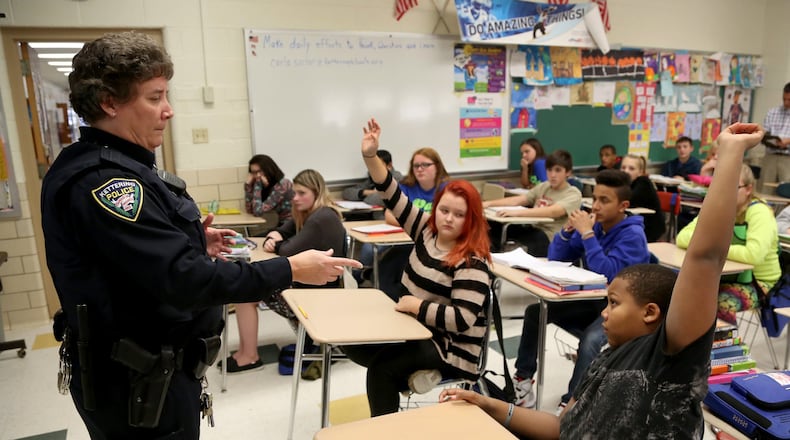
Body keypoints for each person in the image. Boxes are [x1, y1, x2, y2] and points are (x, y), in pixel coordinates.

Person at [39, 32, 360, 440]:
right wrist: (290, 268)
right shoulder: (108, 183)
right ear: (109, 102)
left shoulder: (113, 165)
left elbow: (132, 261)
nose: (168, 111)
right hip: (137, 384)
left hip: (150, 374)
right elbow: (184, 280)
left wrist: (192, 242)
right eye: (154, 98)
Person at [440, 122, 765, 439]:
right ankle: (524, 379)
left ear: (650, 313)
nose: (605, 312)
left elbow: (705, 258)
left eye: (614, 304)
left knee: (591, 338)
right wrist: (491, 406)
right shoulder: (605, 361)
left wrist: (730, 153)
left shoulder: (670, 356)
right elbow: (561, 429)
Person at [342, 118, 492, 417]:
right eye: (444, 210)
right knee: (352, 343)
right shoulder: (427, 230)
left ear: (471, 219)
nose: (448, 219)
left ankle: (389, 427)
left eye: (458, 214)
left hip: (450, 347)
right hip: (413, 328)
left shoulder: (472, 260)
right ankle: (409, 372)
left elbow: (462, 319)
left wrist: (416, 306)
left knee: (380, 371)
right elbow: (391, 192)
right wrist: (370, 156)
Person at [512, 170, 651, 414]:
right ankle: (523, 380)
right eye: (594, 198)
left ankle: (572, 405)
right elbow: (557, 258)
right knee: (535, 312)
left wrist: (587, 233)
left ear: (623, 206)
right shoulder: (597, 227)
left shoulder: (633, 235)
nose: (595, 206)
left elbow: (610, 275)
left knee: (592, 339)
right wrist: (566, 232)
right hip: (596, 302)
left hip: (623, 310)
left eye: (604, 200)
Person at [228, 169, 346, 374]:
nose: (296, 198)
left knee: (247, 293)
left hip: (316, 296)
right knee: (250, 286)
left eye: (302, 193)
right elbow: (282, 231)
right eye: (295, 193)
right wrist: (276, 235)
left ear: (316, 192)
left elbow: (287, 249)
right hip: (309, 286)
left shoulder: (322, 217)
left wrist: (277, 242)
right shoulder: (310, 213)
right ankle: (246, 354)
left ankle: (249, 356)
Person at [676, 164, 780, 324]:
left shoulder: (759, 212)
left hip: (760, 283)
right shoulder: (719, 208)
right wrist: (712, 247)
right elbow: (683, 237)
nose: (726, 192)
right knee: (679, 290)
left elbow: (753, 255)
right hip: (721, 276)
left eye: (733, 187)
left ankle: (725, 347)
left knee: (722, 302)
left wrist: (712, 248)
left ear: (748, 189)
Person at [375, 146, 450, 299]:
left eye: (425, 165)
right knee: (386, 265)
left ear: (437, 166)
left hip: (435, 245)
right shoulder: (406, 186)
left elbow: (441, 222)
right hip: (406, 239)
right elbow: (389, 214)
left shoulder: (447, 190)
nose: (420, 169)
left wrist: (407, 219)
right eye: (416, 166)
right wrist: (416, 222)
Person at [483, 150, 582, 257]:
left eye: (558, 170)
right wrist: (488, 204)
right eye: (549, 170)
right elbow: (520, 199)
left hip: (550, 237)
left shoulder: (573, 193)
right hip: (532, 228)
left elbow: (553, 211)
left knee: (521, 244)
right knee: (494, 228)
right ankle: (490, 260)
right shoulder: (544, 186)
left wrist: (515, 213)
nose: (553, 175)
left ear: (568, 172)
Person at [620, 154, 666, 242]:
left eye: (631, 168)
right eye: (623, 167)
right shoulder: (625, 184)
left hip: (650, 231)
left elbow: (629, 201)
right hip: (635, 227)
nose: (626, 171)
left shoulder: (644, 182)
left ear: (640, 172)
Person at [244, 154, 293, 229]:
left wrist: (258, 185)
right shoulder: (266, 187)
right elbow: (250, 210)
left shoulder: (283, 184)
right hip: (284, 225)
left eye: (260, 171)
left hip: (293, 225)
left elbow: (258, 212)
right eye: (254, 173)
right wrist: (248, 187)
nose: (258, 175)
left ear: (269, 169)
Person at [761, 82, 790, 186]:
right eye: (784, 99)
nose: (786, 103)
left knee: (786, 191)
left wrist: (787, 141)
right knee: (766, 188)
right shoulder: (772, 113)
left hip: (787, 159)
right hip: (771, 156)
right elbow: (765, 132)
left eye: (789, 100)